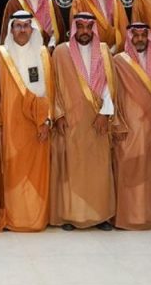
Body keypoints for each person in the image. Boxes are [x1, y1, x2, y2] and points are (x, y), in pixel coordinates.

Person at [49, 13, 116, 231]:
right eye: (81, 27)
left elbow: (110, 85)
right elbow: (54, 85)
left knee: (99, 167)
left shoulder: (104, 51)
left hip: (98, 119)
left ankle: (101, 215)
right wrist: (58, 114)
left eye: (89, 27)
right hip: (71, 120)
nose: (85, 31)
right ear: (73, 28)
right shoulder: (60, 52)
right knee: (72, 168)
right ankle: (71, 215)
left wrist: (105, 113)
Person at [0, 11, 54, 232]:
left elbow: (51, 91)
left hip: (38, 125)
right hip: (11, 124)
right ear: (11, 29)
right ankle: (15, 217)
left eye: (26, 26)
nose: (21, 30)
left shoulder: (44, 55)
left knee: (37, 173)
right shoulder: (1, 55)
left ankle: (35, 218)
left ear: (33, 29)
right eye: (17, 26)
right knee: (12, 171)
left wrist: (46, 121)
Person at [111, 23, 151, 230]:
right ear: (129, 38)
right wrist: (117, 123)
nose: (139, 39)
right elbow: (112, 94)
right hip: (128, 127)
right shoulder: (119, 61)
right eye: (135, 35)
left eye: (143, 35)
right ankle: (128, 217)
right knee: (128, 169)